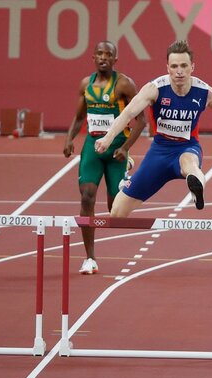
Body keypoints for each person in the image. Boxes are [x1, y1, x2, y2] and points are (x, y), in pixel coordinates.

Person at [95, 40, 212, 217]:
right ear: (167, 68)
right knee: (117, 213)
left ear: (192, 67)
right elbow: (128, 113)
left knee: (190, 165)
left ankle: (196, 187)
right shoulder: (155, 89)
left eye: (184, 66)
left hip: (187, 148)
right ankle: (187, 181)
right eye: (174, 66)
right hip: (158, 154)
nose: (179, 71)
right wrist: (108, 137)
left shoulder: (203, 91)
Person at [64, 40, 146, 275]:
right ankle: (90, 258)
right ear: (93, 57)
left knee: (114, 208)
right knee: (87, 197)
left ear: (115, 60)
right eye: (99, 53)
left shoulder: (124, 84)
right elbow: (80, 117)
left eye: (108, 54)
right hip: (93, 146)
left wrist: (126, 147)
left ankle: (127, 163)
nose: (103, 58)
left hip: (117, 148)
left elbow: (141, 121)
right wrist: (69, 139)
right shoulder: (85, 85)